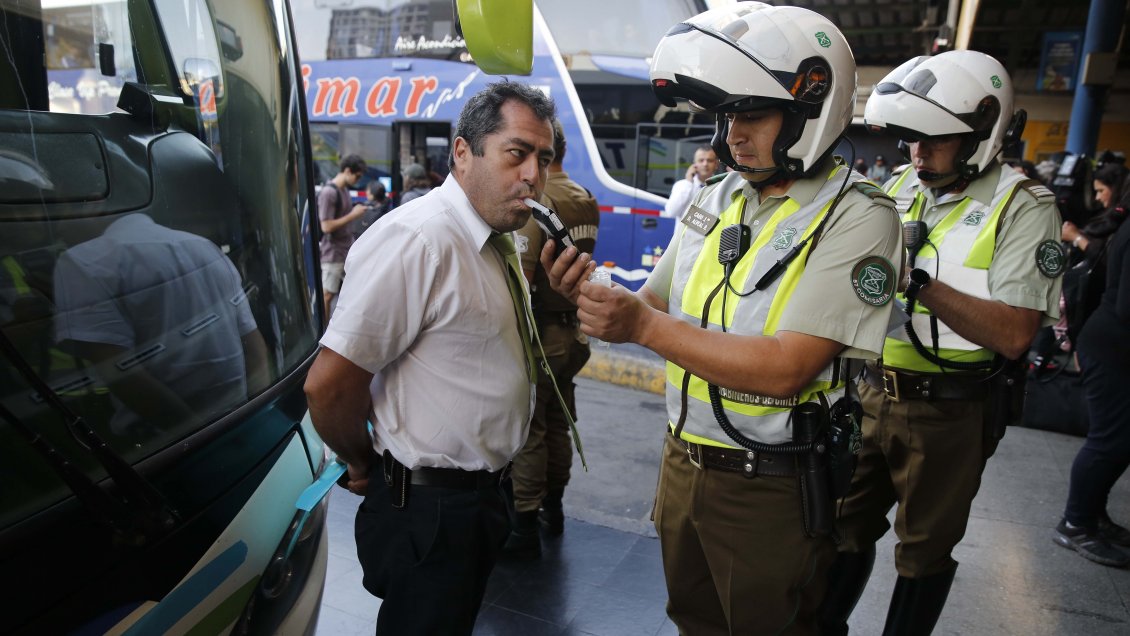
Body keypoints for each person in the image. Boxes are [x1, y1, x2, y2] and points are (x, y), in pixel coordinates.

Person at [543, 4, 903, 633]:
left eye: (751, 114)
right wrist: (590, 293)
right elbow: (653, 302)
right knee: (692, 620)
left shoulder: (859, 216)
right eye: (727, 116)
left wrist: (640, 327)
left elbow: (788, 367)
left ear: (809, 108)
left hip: (771, 486)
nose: (732, 135)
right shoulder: (717, 196)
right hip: (683, 463)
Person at [820, 50, 1064, 635]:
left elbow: (1015, 333)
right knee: (840, 525)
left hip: (950, 410)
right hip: (871, 393)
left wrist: (917, 284)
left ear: (981, 134)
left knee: (923, 550)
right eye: (911, 138)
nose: (917, 153)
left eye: (935, 139)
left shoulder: (1024, 208)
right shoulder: (901, 185)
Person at [303, 80, 555, 635]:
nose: (533, 175)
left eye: (544, 158)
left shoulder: (493, 239)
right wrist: (361, 462)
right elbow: (329, 386)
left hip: (479, 500)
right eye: (517, 153)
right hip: (430, 511)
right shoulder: (419, 240)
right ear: (463, 152)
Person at [504, 118, 600, 559]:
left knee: (532, 430)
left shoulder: (539, 202)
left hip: (541, 333)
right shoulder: (584, 197)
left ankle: (524, 525)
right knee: (560, 421)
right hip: (574, 331)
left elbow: (522, 285)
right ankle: (554, 509)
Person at [1055, 181, 1130, 568]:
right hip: (1113, 346)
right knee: (1109, 440)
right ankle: (1075, 523)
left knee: (1121, 440)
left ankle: (1093, 514)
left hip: (1113, 343)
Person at [318, 154, 368, 320]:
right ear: (347, 171)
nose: (358, 180)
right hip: (333, 253)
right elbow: (326, 226)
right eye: (357, 176)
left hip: (346, 250)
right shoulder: (328, 193)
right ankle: (324, 331)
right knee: (327, 295)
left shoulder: (344, 190)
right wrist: (353, 215)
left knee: (354, 292)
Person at [662, 144, 718, 218]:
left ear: (716, 164)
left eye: (709, 160)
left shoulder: (721, 185)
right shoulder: (682, 185)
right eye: (701, 160)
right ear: (694, 164)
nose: (705, 164)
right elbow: (671, 212)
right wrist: (688, 182)